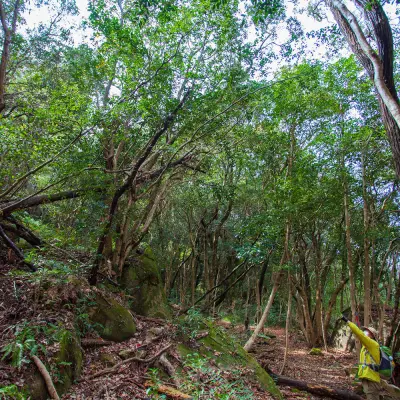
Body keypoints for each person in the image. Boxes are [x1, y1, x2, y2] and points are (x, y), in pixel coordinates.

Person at [342, 315, 400, 399]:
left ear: (372, 336)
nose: (365, 332)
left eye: (367, 331)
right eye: (365, 330)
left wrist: (347, 322)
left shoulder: (373, 345)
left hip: (372, 380)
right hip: (368, 378)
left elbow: (360, 334)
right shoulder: (365, 348)